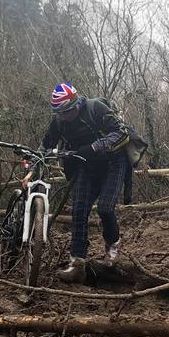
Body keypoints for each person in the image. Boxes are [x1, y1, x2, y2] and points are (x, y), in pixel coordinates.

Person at [42, 82, 135, 283]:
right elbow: (46, 144)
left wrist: (95, 147)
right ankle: (77, 262)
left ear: (76, 105)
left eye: (66, 111)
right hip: (86, 165)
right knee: (79, 210)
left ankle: (112, 249)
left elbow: (121, 133)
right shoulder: (59, 121)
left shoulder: (95, 109)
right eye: (59, 113)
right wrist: (38, 156)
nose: (64, 116)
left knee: (105, 208)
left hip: (113, 162)